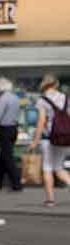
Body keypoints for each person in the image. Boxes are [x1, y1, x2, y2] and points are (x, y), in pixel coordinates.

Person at [32, 74, 70, 207]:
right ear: (56, 84)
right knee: (59, 168)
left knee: (47, 168)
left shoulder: (42, 100)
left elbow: (41, 121)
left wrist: (35, 140)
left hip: (48, 139)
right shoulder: (66, 98)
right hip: (64, 138)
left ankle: (50, 200)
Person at [0, 78, 23, 192]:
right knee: (2, 157)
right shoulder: (16, 98)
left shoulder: (3, 99)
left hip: (5, 130)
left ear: (0, 88)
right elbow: (18, 115)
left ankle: (17, 184)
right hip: (14, 129)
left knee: (7, 158)